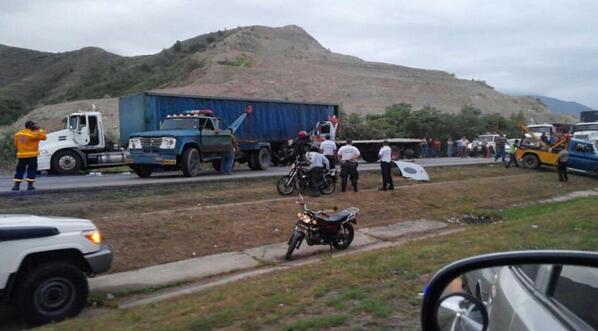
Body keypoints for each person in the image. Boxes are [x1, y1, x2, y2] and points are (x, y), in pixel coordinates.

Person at [13, 120, 47, 191]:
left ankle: (16, 186)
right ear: (31, 126)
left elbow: (15, 144)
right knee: (31, 170)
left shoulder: (18, 134)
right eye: (34, 125)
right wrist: (39, 130)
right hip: (32, 156)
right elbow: (44, 137)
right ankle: (30, 186)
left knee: (20, 170)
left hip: (21, 156)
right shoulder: (33, 134)